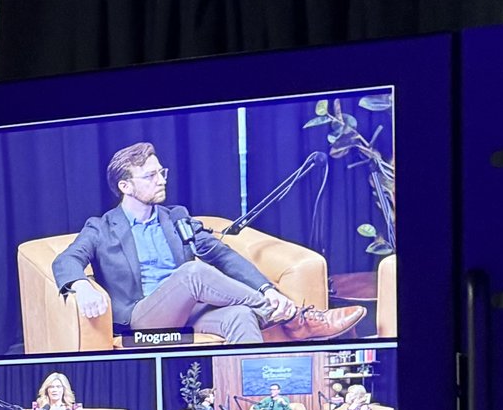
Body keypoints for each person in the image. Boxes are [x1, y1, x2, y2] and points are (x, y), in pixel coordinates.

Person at [52, 143, 365, 346]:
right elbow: (66, 261)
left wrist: (268, 290)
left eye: (161, 172)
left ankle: (252, 409)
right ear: (125, 186)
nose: (161, 180)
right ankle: (297, 318)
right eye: (150, 176)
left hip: (191, 313)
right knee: (193, 273)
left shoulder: (176, 217)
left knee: (240, 317)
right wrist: (81, 285)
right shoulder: (102, 227)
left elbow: (224, 256)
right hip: (142, 320)